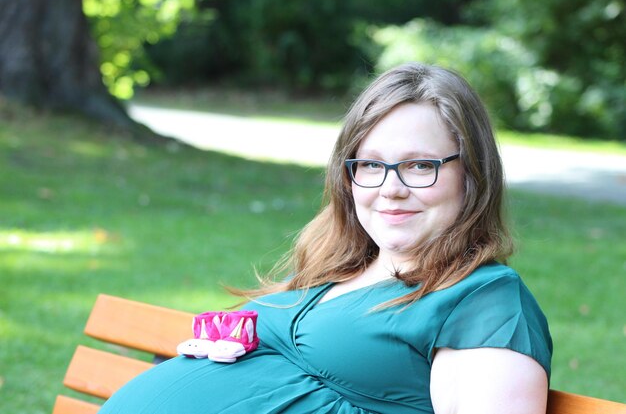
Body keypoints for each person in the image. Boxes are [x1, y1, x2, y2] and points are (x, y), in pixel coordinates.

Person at [99, 62, 552, 414]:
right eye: (371, 164)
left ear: (471, 175)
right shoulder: (336, 269)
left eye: (420, 166)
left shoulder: (483, 302)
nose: (390, 188)